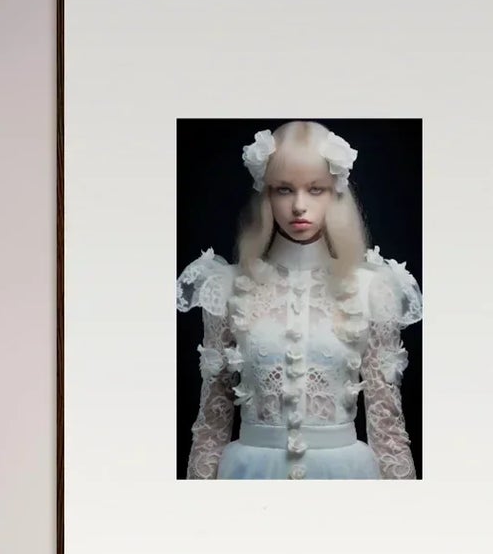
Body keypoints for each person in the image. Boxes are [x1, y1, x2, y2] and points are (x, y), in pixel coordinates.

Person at [176, 121, 423, 480]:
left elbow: (387, 428)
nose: (299, 206)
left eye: (316, 189)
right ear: (266, 194)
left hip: (344, 477)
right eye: (284, 189)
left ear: (335, 192)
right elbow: (212, 423)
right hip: (250, 477)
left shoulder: (374, 288)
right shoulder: (227, 287)